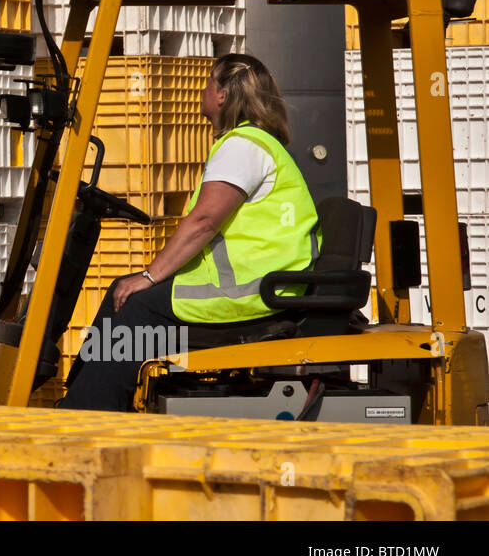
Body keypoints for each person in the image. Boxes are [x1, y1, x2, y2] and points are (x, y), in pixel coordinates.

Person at [60, 53, 321, 412]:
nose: (203, 90)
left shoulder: (242, 147)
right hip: (259, 285)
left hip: (250, 293)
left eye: (208, 82)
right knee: (121, 291)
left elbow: (204, 222)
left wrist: (150, 276)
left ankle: (88, 418)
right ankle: (79, 399)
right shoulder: (255, 144)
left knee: (134, 306)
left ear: (223, 95)